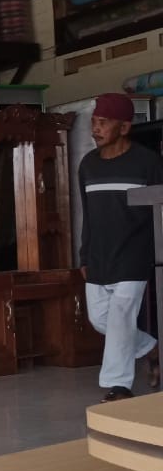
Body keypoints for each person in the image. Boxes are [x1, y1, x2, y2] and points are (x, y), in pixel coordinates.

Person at [79, 92, 163, 401]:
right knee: (101, 319)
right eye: (94, 122)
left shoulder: (148, 163)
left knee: (120, 316)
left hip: (134, 255)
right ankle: (153, 349)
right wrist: (84, 254)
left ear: (124, 127)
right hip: (99, 256)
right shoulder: (88, 165)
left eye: (103, 122)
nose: (95, 129)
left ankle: (119, 386)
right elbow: (88, 214)